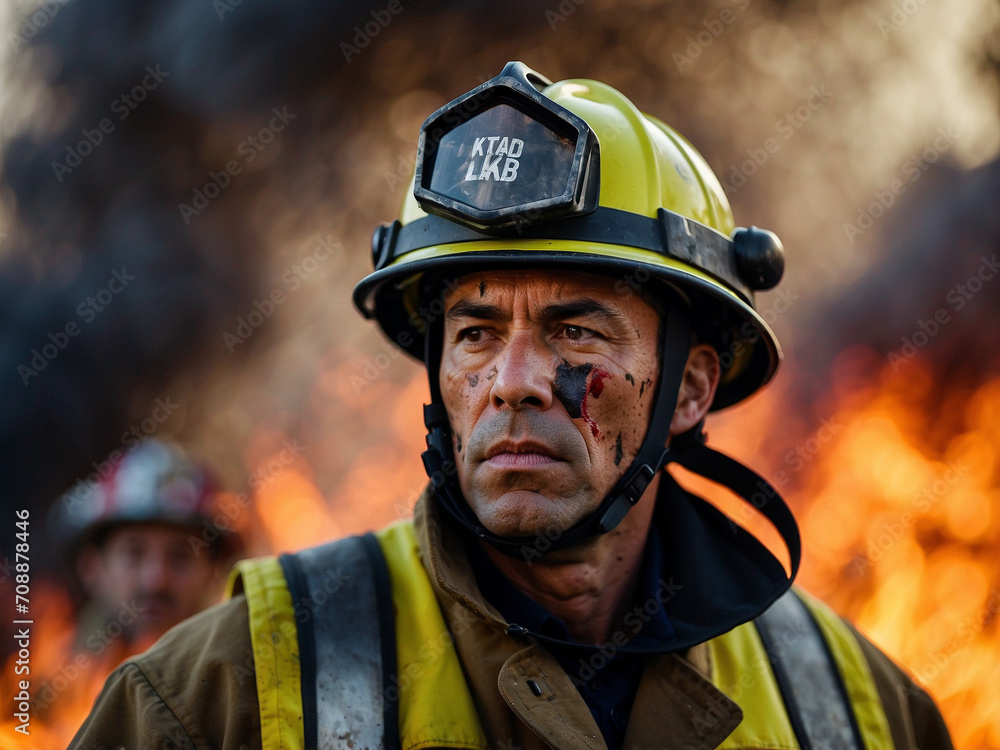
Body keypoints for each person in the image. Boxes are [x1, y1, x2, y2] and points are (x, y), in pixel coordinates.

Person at [71, 62, 952, 750]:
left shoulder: (862, 713)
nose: (514, 380)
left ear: (691, 389)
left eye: (576, 331)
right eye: (477, 332)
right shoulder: (218, 700)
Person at [50, 438, 241, 658]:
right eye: (134, 553)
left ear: (213, 573)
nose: (155, 580)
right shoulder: (38, 679)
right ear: (92, 568)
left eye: (180, 557)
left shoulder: (239, 684)